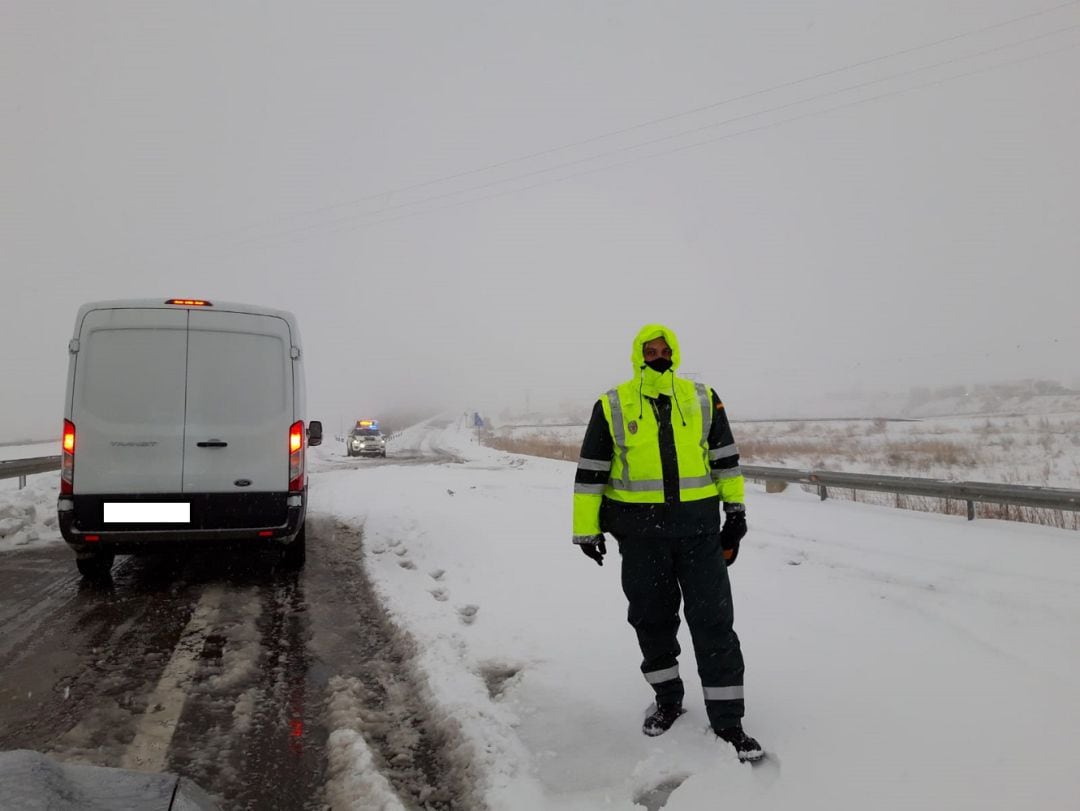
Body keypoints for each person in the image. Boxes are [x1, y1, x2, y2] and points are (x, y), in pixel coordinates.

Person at [571, 323, 763, 761]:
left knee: (715, 623)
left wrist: (735, 513)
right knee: (652, 621)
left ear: (674, 351)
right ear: (638, 355)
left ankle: (729, 722)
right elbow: (591, 472)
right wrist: (587, 530)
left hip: (698, 533)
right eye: (650, 350)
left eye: (664, 349)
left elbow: (726, 461)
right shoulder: (613, 403)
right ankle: (668, 700)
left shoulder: (701, 398)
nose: (659, 355)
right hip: (641, 538)